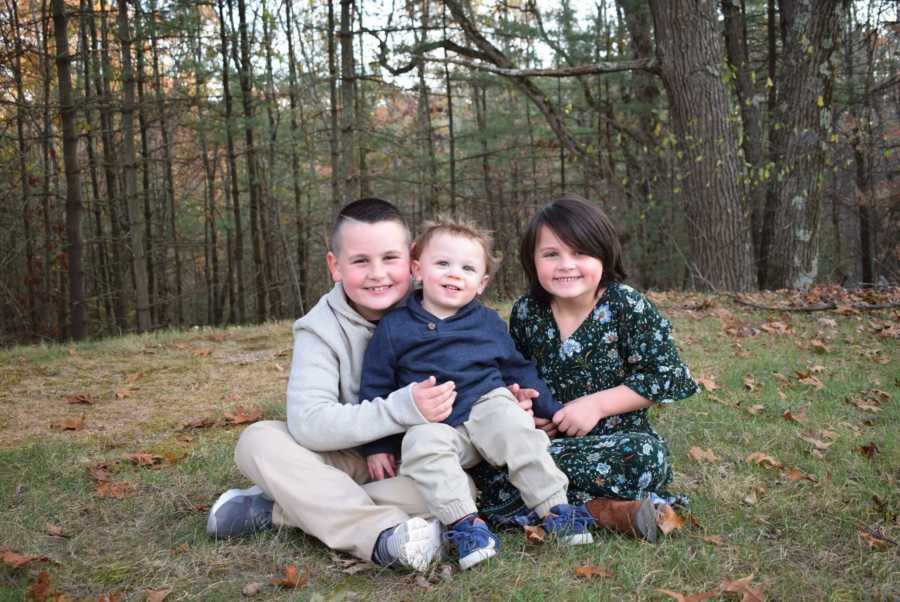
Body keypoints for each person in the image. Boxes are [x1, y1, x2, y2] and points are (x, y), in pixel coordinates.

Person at [206, 198, 465, 571]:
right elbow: (309, 423)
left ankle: (280, 509)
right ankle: (383, 538)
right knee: (258, 440)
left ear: (413, 260)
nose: (378, 273)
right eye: (360, 261)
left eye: (389, 258)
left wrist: (507, 395)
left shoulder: (441, 305)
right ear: (335, 266)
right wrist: (401, 409)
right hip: (346, 457)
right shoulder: (320, 328)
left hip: (420, 459)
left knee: (461, 490)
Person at [359, 217, 595, 570]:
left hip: (487, 405)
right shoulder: (395, 327)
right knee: (420, 446)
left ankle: (556, 509)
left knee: (517, 430)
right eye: (443, 264)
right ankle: (466, 525)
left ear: (481, 283)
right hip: (434, 421)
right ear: (417, 269)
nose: (455, 274)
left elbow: (517, 367)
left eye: (467, 268)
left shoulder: (486, 322)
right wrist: (377, 447)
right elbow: (375, 386)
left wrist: (549, 408)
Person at [468, 194, 698, 542]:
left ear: (604, 255)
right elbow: (512, 374)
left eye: (580, 253)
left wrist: (596, 405)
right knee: (491, 472)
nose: (566, 264)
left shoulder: (627, 306)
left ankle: (573, 507)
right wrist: (524, 406)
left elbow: (666, 376)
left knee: (648, 459)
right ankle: (605, 510)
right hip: (543, 445)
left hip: (615, 442)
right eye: (551, 254)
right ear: (533, 260)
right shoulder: (527, 312)